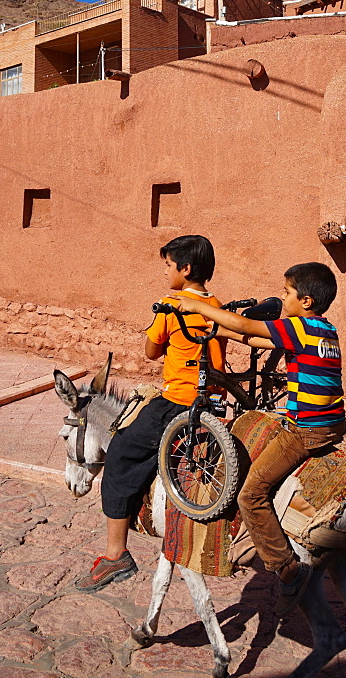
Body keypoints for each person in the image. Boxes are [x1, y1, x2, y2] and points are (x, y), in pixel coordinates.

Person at [172, 261, 345, 615]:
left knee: (251, 493)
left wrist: (201, 307)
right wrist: (217, 328)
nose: (282, 298)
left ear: (306, 301)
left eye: (286, 293)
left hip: (306, 430)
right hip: (333, 421)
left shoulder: (300, 327)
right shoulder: (324, 330)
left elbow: (247, 325)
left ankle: (287, 571)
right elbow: (250, 335)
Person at [75, 234, 225, 593]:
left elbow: (151, 351)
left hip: (178, 400)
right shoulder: (215, 304)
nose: (167, 273)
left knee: (122, 452)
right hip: (210, 398)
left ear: (185, 269)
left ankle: (115, 554)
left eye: (169, 266)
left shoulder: (170, 305)